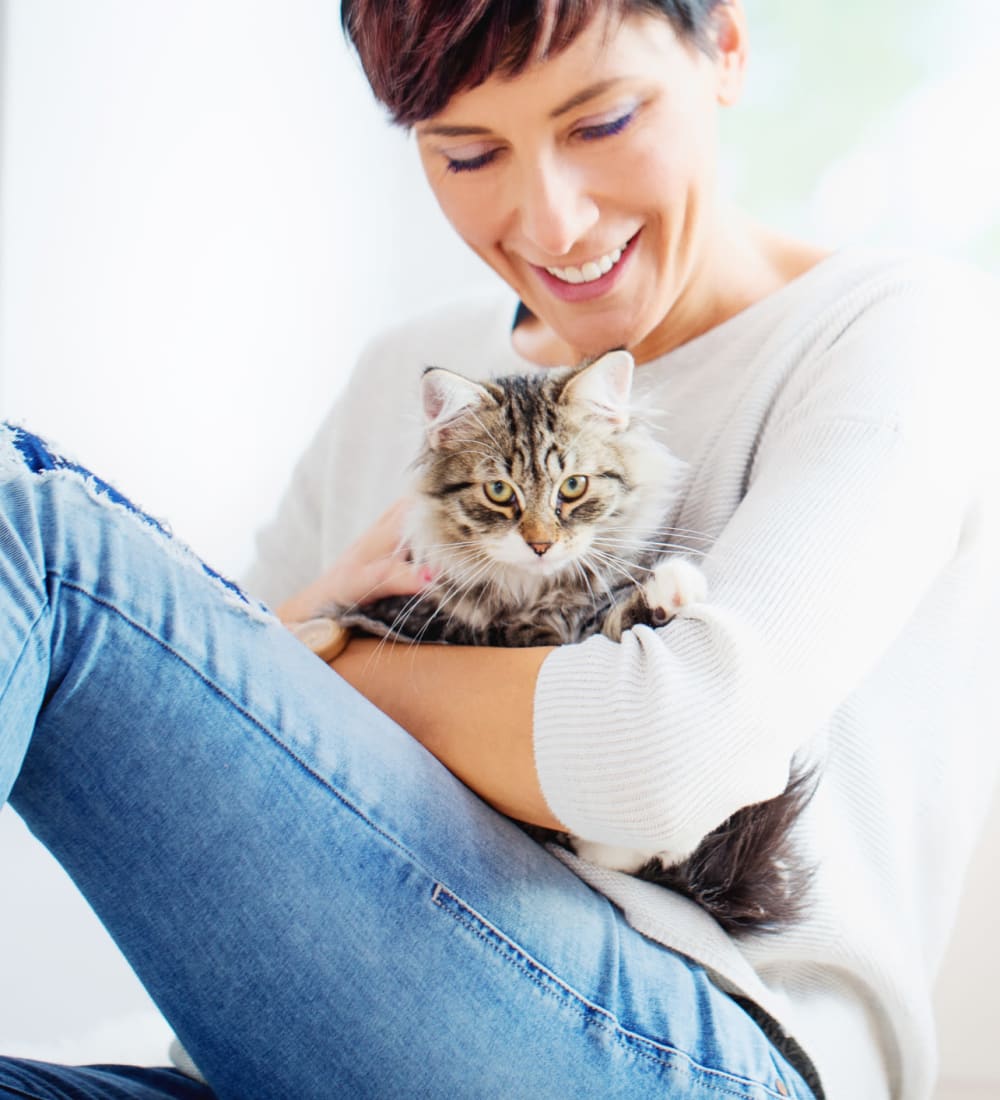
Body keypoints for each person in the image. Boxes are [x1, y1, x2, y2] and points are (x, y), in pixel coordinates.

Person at [1, 1, 997, 1097]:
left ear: (724, 46)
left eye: (603, 122)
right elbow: (191, 744)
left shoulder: (900, 331)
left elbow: (660, 756)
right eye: (468, 152)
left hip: (694, 1039)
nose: (553, 221)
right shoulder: (409, 371)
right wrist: (272, 666)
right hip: (266, 1055)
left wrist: (320, 660)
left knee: (32, 527)